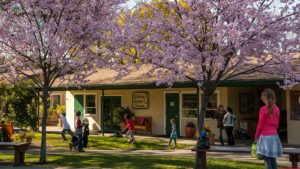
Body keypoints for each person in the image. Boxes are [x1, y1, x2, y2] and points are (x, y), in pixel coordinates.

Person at [255, 88, 282, 169]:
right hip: (274, 136)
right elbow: (277, 124)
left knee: (267, 160)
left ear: (265, 97)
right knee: (273, 159)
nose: (261, 98)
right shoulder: (277, 108)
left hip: (265, 136)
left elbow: (260, 125)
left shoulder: (263, 109)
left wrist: (256, 136)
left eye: (262, 97)